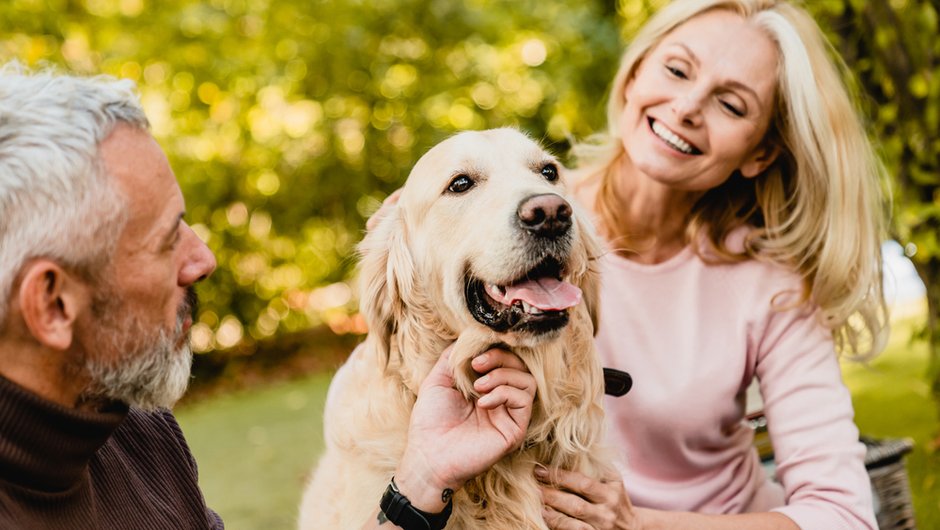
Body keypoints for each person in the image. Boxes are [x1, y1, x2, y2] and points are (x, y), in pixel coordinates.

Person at [535, 1, 888, 529]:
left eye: (732, 105)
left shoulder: (773, 284)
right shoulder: (526, 219)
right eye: (677, 70)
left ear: (760, 153)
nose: (687, 107)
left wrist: (635, 525)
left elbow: (842, 515)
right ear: (634, 75)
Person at [0, 64, 223, 528]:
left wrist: (409, 495)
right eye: (167, 240)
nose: (202, 259)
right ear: (53, 306)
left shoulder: (137, 437)